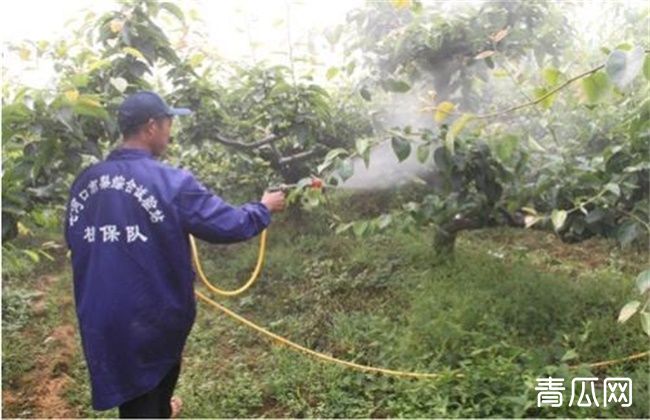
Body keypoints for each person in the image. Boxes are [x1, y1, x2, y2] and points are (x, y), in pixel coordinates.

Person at [64, 91, 286, 418]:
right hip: (150, 315)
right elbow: (229, 225)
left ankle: (159, 409)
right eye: (169, 123)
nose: (171, 132)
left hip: (100, 313)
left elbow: (75, 239)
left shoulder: (86, 181)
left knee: (139, 389)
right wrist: (263, 208)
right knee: (146, 388)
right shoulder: (171, 182)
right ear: (152, 126)